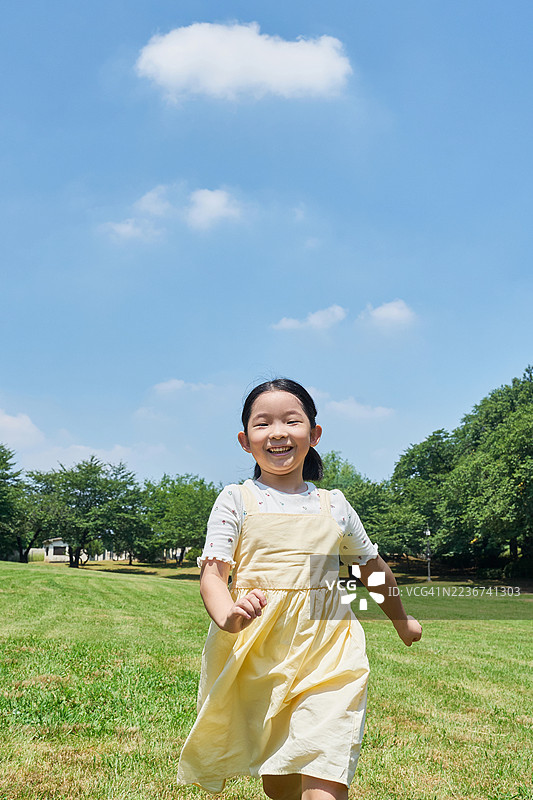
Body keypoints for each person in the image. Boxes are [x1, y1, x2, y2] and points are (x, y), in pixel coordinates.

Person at [177, 378, 422, 800]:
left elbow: (370, 567)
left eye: (292, 421)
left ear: (314, 433)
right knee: (279, 780)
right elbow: (214, 575)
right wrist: (228, 615)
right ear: (245, 440)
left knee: (324, 774)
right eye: (263, 424)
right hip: (259, 654)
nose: (278, 432)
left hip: (330, 651)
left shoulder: (335, 505)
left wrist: (402, 621)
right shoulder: (236, 499)